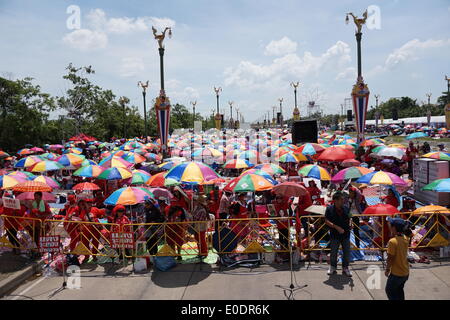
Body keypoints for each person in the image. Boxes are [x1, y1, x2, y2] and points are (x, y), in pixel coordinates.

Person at [324, 191, 352, 277]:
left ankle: (345, 267)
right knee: (334, 252)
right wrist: (336, 227)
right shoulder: (329, 209)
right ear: (335, 200)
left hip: (346, 233)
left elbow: (350, 217)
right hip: (334, 234)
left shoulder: (346, 208)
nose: (343, 201)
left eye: (343, 199)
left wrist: (351, 224)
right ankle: (333, 267)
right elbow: (326, 221)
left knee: (346, 252)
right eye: (341, 199)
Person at [385, 217, 413, 300]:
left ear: (394, 228)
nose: (389, 226)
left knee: (389, 291)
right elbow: (409, 234)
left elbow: (390, 258)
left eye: (391, 225)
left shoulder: (392, 242)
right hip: (405, 272)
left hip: (396, 274)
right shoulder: (406, 238)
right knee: (399, 290)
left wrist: (387, 270)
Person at [191, 195, 211, 260]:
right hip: (197, 226)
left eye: (196, 201)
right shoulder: (197, 208)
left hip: (201, 227)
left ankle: (204, 253)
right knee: (198, 240)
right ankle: (200, 252)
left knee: (202, 240)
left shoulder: (202, 210)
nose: (195, 202)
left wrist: (192, 216)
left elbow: (199, 219)